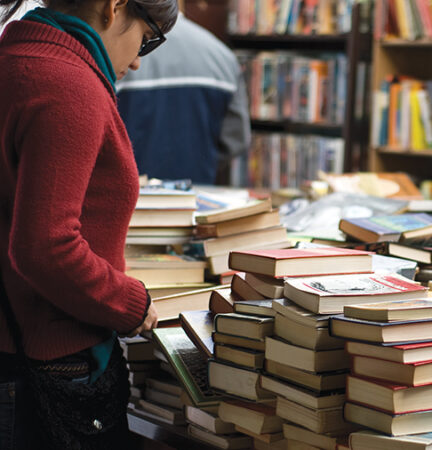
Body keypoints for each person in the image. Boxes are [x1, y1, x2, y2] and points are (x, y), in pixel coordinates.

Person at [0, 0, 176, 446]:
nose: (137, 60)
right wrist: (131, 304)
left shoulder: (15, 62)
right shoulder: (67, 85)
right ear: (113, 7)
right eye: (147, 38)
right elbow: (46, 247)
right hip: (48, 361)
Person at [116, 7, 251, 185]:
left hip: (132, 197)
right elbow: (236, 140)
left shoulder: (120, 55)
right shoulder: (222, 57)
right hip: (196, 196)